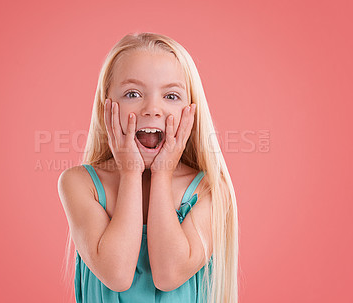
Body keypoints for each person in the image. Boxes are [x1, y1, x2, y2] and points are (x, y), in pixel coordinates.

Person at [58, 32, 238, 303]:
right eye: (133, 93)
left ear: (192, 111)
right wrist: (130, 171)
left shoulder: (210, 190)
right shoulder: (79, 183)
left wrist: (162, 173)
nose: (153, 109)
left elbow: (168, 275)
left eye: (171, 96)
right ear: (107, 106)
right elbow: (117, 275)